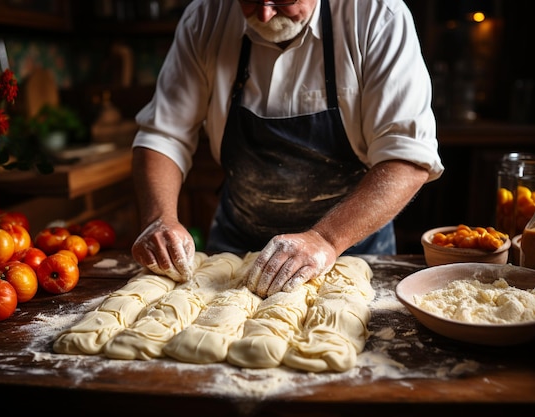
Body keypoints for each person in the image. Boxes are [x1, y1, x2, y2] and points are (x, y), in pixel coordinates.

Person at [130, 0, 444, 298]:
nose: (265, 15)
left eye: (282, 0)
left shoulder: (376, 15)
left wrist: (326, 239)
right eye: (250, 0)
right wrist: (159, 218)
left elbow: (406, 157)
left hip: (351, 248)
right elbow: (164, 135)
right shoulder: (207, 16)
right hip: (234, 246)